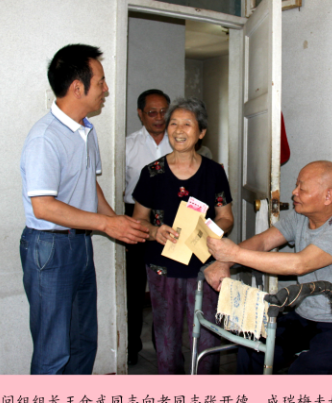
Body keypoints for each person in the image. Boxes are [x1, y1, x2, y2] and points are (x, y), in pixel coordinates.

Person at [20, 44, 149, 375]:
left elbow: (89, 186)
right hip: (49, 248)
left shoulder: (86, 131)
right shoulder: (45, 138)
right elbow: (43, 206)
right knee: (53, 351)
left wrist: (116, 221)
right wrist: (105, 225)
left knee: (83, 342)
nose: (106, 89)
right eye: (101, 81)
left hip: (79, 244)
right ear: (78, 87)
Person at [205, 160, 332, 374]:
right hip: (308, 317)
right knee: (253, 346)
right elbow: (262, 242)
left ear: (328, 196)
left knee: (304, 370)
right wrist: (224, 261)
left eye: (302, 188)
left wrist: (233, 254)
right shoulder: (300, 217)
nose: (294, 192)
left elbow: (300, 263)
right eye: (296, 185)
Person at [132, 97, 234, 374]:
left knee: (207, 335)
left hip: (205, 264)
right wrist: (154, 231)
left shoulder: (214, 172)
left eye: (187, 124)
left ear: (201, 132)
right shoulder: (152, 173)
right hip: (162, 265)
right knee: (166, 336)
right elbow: (138, 220)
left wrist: (208, 232)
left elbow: (226, 217)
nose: (178, 130)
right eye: (173, 123)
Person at [124, 89, 173, 365]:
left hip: (169, 220)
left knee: (166, 287)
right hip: (134, 216)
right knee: (133, 286)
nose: (159, 117)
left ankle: (164, 349)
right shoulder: (127, 145)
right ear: (140, 114)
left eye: (164, 111)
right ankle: (130, 347)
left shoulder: (179, 142)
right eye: (152, 112)